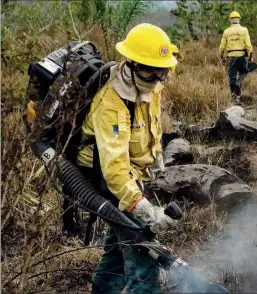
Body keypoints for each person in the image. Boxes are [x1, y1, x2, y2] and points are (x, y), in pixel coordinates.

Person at [76, 23, 178, 294]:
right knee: (142, 249)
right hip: (103, 178)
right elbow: (115, 171)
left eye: (162, 70)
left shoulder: (151, 83)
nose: (158, 77)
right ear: (132, 63)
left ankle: (103, 290)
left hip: (133, 174)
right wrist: (145, 209)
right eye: (151, 69)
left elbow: (151, 122)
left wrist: (154, 159)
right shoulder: (111, 103)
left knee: (117, 248)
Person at [218, 11, 253, 102]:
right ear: (239, 19)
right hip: (241, 56)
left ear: (230, 20)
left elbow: (222, 46)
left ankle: (233, 97)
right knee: (244, 71)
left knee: (232, 77)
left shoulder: (226, 31)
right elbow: (248, 45)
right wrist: (250, 55)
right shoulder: (244, 30)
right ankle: (238, 86)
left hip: (231, 57)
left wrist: (221, 55)